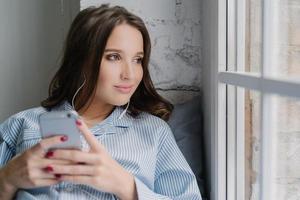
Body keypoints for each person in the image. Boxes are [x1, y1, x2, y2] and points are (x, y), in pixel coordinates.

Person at [0, 4, 202, 200]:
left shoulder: (154, 132)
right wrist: (6, 180)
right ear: (82, 60)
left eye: (137, 59)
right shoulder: (21, 125)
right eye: (114, 57)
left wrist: (127, 187)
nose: (130, 74)